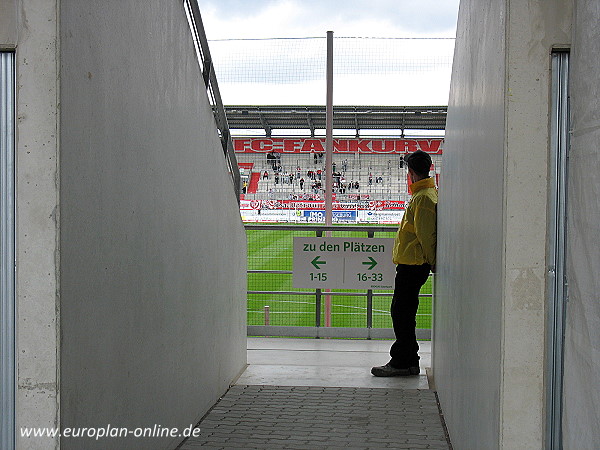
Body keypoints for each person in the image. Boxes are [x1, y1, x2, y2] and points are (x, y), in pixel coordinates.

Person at [371, 150, 437, 377]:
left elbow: (427, 235)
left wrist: (433, 261)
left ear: (410, 173)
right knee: (404, 313)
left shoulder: (424, 198)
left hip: (413, 265)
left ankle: (401, 362)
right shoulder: (425, 195)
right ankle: (410, 360)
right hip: (413, 264)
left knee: (401, 313)